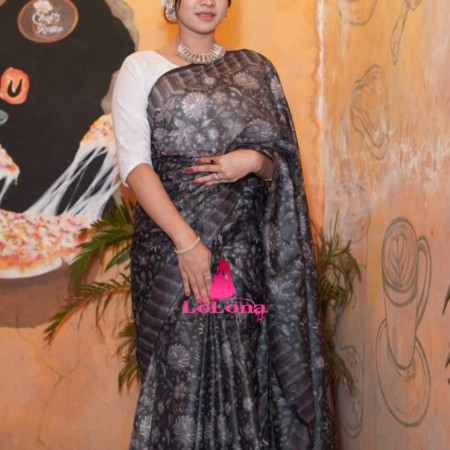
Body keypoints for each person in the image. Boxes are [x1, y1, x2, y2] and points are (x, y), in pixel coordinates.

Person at [112, 0, 335, 448]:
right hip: (171, 251)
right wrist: (186, 242)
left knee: (244, 373)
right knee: (180, 377)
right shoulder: (141, 68)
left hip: (244, 249)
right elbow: (134, 166)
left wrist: (254, 161)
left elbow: (282, 164)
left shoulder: (255, 71)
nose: (206, 1)